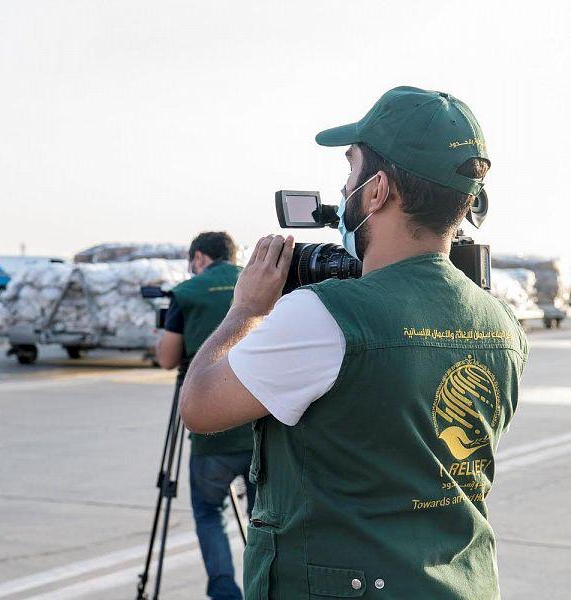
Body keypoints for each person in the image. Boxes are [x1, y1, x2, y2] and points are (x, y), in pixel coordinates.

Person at [179, 87, 529, 599]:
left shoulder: (323, 317)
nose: (343, 189)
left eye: (350, 171)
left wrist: (246, 310)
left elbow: (200, 407)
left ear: (377, 190)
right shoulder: (503, 325)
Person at [155, 231, 256, 600]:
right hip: (261, 427)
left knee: (208, 512)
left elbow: (167, 358)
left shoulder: (187, 292)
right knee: (263, 518)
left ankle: (225, 592)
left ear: (199, 257)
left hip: (211, 429)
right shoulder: (260, 281)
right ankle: (263, 588)